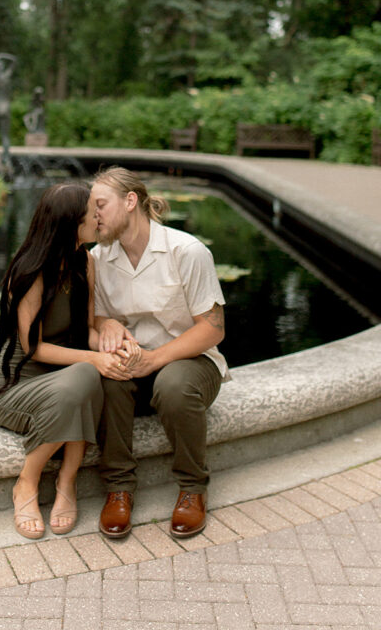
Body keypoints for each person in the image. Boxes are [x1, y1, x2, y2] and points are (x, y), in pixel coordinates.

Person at [0, 182, 139, 539]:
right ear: (71, 222)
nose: (98, 216)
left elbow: (86, 330)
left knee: (92, 374)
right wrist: (93, 360)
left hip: (70, 376)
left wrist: (113, 347)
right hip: (17, 386)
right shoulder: (28, 272)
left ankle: (67, 482)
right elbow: (34, 349)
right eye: (92, 211)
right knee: (86, 374)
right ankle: (27, 481)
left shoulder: (83, 260)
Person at [90, 167, 229, 540]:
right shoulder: (99, 258)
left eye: (100, 205)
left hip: (191, 360)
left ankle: (192, 487)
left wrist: (154, 359)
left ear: (130, 201)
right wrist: (107, 326)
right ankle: (118, 488)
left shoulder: (187, 251)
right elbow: (98, 315)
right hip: (134, 360)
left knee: (172, 385)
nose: (93, 215)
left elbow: (213, 328)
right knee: (105, 378)